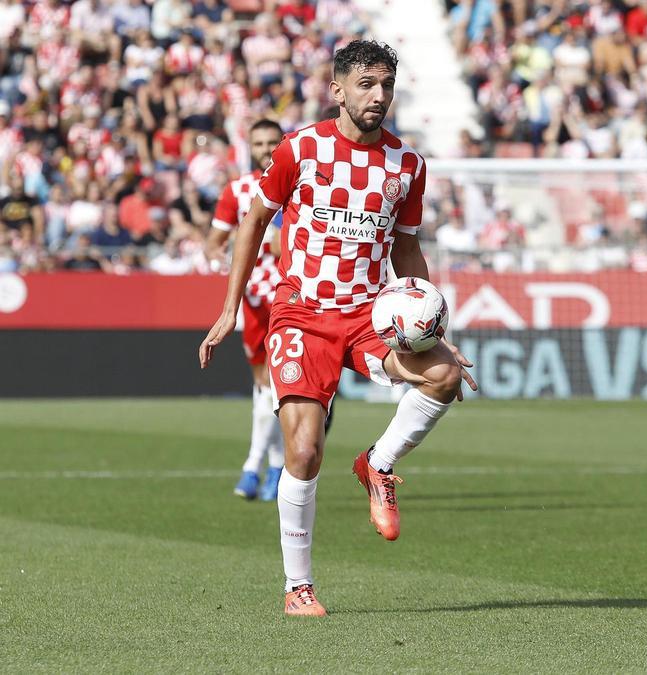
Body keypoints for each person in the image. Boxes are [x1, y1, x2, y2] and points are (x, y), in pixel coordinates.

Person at [198, 40, 477, 617]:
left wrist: (431, 324)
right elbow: (254, 221)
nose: (379, 97)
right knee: (302, 450)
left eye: (386, 87)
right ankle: (297, 586)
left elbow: (407, 249)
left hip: (370, 317)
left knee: (445, 375)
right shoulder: (301, 148)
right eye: (367, 85)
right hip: (301, 313)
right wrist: (230, 307)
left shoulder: (408, 166)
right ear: (338, 90)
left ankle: (377, 464)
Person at [205, 118, 287, 502]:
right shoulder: (238, 190)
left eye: (273, 141)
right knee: (264, 388)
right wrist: (224, 255)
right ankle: (274, 467)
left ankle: (255, 467)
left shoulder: (301, 185)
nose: (266, 148)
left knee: (275, 387)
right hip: (254, 301)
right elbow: (214, 242)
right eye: (259, 142)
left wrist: (270, 245)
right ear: (249, 147)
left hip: (295, 298)